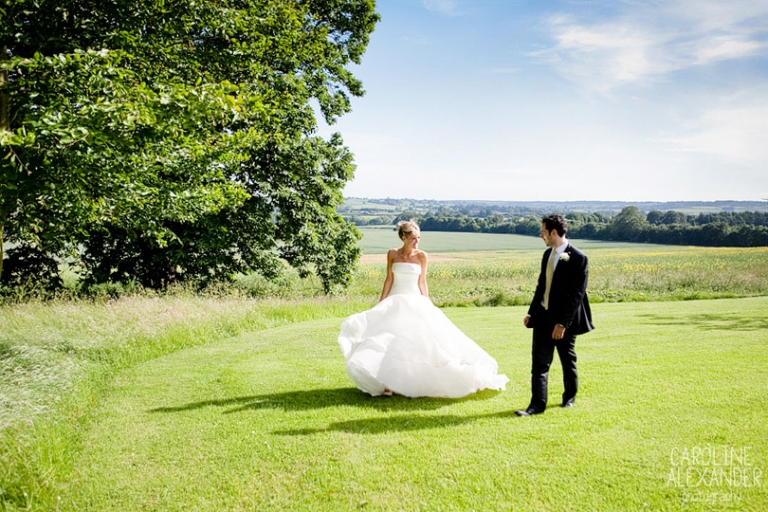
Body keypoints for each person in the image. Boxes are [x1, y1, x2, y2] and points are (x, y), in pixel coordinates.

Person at [338, 220, 509, 398]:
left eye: (418, 238)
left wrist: (427, 303)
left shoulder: (422, 256)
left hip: (414, 302)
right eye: (413, 238)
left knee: (414, 342)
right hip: (395, 302)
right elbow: (388, 279)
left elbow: (422, 282)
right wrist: (381, 303)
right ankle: (388, 384)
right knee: (390, 340)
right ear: (403, 237)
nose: (417, 242)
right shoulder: (392, 254)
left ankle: (409, 382)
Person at [516, 214, 594, 416]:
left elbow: (577, 295)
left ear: (553, 232)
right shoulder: (547, 255)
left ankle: (569, 397)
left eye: (543, 232)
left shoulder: (578, 258)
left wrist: (562, 323)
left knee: (567, 361)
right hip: (542, 317)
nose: (541, 236)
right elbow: (541, 287)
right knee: (539, 364)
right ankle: (536, 406)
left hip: (564, 322)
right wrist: (531, 313)